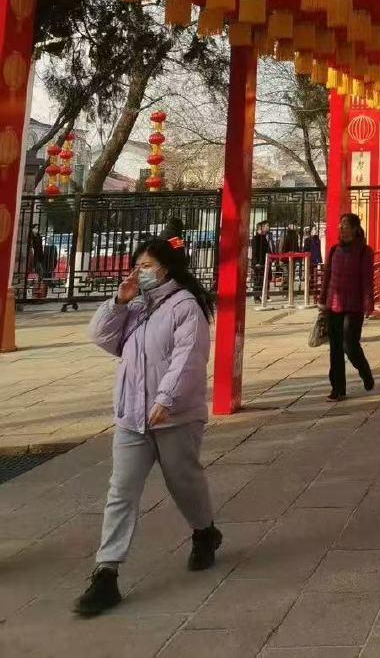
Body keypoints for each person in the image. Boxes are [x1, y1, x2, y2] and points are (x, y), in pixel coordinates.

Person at [75, 237, 219, 618]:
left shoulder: (185, 306)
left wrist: (165, 399)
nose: (141, 272)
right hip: (132, 417)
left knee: (183, 483)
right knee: (121, 491)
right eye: (138, 265)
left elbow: (189, 358)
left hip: (173, 416)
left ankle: (205, 532)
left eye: (148, 265)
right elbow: (103, 338)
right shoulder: (137, 306)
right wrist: (119, 302)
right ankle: (106, 572)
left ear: (166, 268)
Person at [319, 213, 375, 402]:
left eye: (345, 225)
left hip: (354, 306)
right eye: (340, 225)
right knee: (335, 348)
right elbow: (327, 276)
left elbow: (367, 280)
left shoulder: (364, 252)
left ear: (355, 228)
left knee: (349, 345)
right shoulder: (334, 250)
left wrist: (368, 301)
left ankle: (364, 371)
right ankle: (337, 388)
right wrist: (322, 300)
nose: (341, 228)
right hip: (333, 305)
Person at [250, 220, 272, 301]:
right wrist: (256, 263)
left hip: (265, 261)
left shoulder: (265, 237)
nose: (268, 227)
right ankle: (256, 296)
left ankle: (265, 295)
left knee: (266, 279)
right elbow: (254, 252)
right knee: (258, 280)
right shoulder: (256, 238)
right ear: (262, 228)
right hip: (259, 263)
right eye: (267, 226)